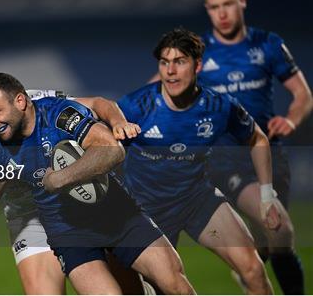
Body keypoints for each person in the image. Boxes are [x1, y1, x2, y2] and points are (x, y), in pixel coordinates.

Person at [0, 72, 196, 294]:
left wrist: (61, 177)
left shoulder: (60, 113)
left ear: (20, 101)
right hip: (68, 232)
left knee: (174, 283)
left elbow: (112, 149)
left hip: (117, 215)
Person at [118, 27, 278, 294]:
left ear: (198, 66)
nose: (170, 71)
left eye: (180, 62)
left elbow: (257, 139)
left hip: (196, 200)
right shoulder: (136, 106)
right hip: (146, 211)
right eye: (164, 62)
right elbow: (99, 140)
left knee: (253, 269)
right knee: (164, 289)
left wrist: (266, 195)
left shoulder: (219, 106)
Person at [198, 0, 311, 294]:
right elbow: (159, 88)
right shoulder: (199, 52)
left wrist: (290, 119)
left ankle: (251, 271)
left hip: (272, 156)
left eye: (228, 4)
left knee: (271, 244)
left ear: (242, 2)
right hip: (227, 161)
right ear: (207, 9)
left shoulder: (268, 45)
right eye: (213, 7)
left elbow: (303, 95)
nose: (221, 13)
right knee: (281, 228)